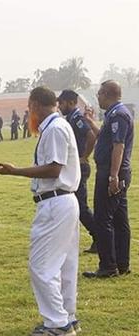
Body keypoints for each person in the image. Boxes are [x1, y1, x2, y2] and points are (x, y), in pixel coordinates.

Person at [0, 86, 80, 336]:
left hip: (55, 202)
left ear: (36, 104)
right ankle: (66, 317)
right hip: (63, 201)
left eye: (30, 107)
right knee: (64, 265)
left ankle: (58, 323)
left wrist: (14, 171)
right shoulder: (56, 126)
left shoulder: (54, 128)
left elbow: (53, 169)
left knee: (41, 265)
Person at [83, 80, 134, 278]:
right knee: (120, 218)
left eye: (99, 94)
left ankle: (108, 266)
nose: (97, 97)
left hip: (111, 173)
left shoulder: (118, 115)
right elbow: (103, 137)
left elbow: (118, 146)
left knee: (103, 218)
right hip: (115, 172)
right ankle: (122, 263)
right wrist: (90, 121)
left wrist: (113, 175)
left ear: (107, 94)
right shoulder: (114, 114)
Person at [57, 90, 97, 254]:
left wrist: (84, 156)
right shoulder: (70, 118)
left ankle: (100, 238)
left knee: (80, 206)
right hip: (74, 167)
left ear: (71, 102)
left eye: (62, 103)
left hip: (80, 167)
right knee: (73, 205)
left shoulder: (77, 118)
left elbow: (91, 136)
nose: (59, 106)